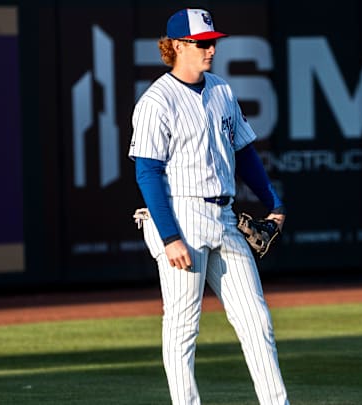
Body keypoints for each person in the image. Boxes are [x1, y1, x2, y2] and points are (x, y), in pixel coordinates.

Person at [128, 8, 289, 405]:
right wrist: (169, 237)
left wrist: (273, 201)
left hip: (224, 215)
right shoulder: (156, 101)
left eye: (212, 42)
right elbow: (147, 172)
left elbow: (245, 153)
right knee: (183, 327)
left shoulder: (221, 90)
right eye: (202, 43)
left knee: (257, 322)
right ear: (177, 46)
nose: (210, 49)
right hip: (179, 215)